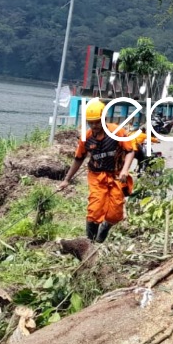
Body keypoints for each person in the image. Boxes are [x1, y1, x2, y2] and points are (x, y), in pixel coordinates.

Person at [59, 98, 136, 243]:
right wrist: (66, 180)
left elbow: (130, 151)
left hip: (117, 175)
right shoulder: (86, 138)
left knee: (115, 213)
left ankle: (106, 227)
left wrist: (125, 170)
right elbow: (78, 158)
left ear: (104, 119)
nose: (94, 125)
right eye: (91, 122)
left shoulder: (117, 132)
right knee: (95, 209)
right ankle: (90, 243)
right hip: (96, 176)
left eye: (97, 122)